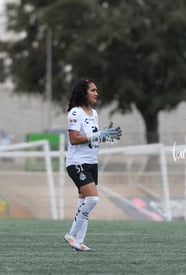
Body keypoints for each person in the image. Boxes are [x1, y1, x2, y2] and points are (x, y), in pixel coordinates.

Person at [64, 79, 122, 252]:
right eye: (93, 90)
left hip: (91, 162)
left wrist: (104, 136)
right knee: (93, 199)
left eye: (97, 90)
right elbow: (74, 139)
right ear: (84, 93)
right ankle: (71, 235)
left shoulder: (94, 114)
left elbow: (93, 138)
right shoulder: (75, 113)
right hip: (77, 163)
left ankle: (79, 243)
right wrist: (97, 136)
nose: (97, 93)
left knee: (84, 202)